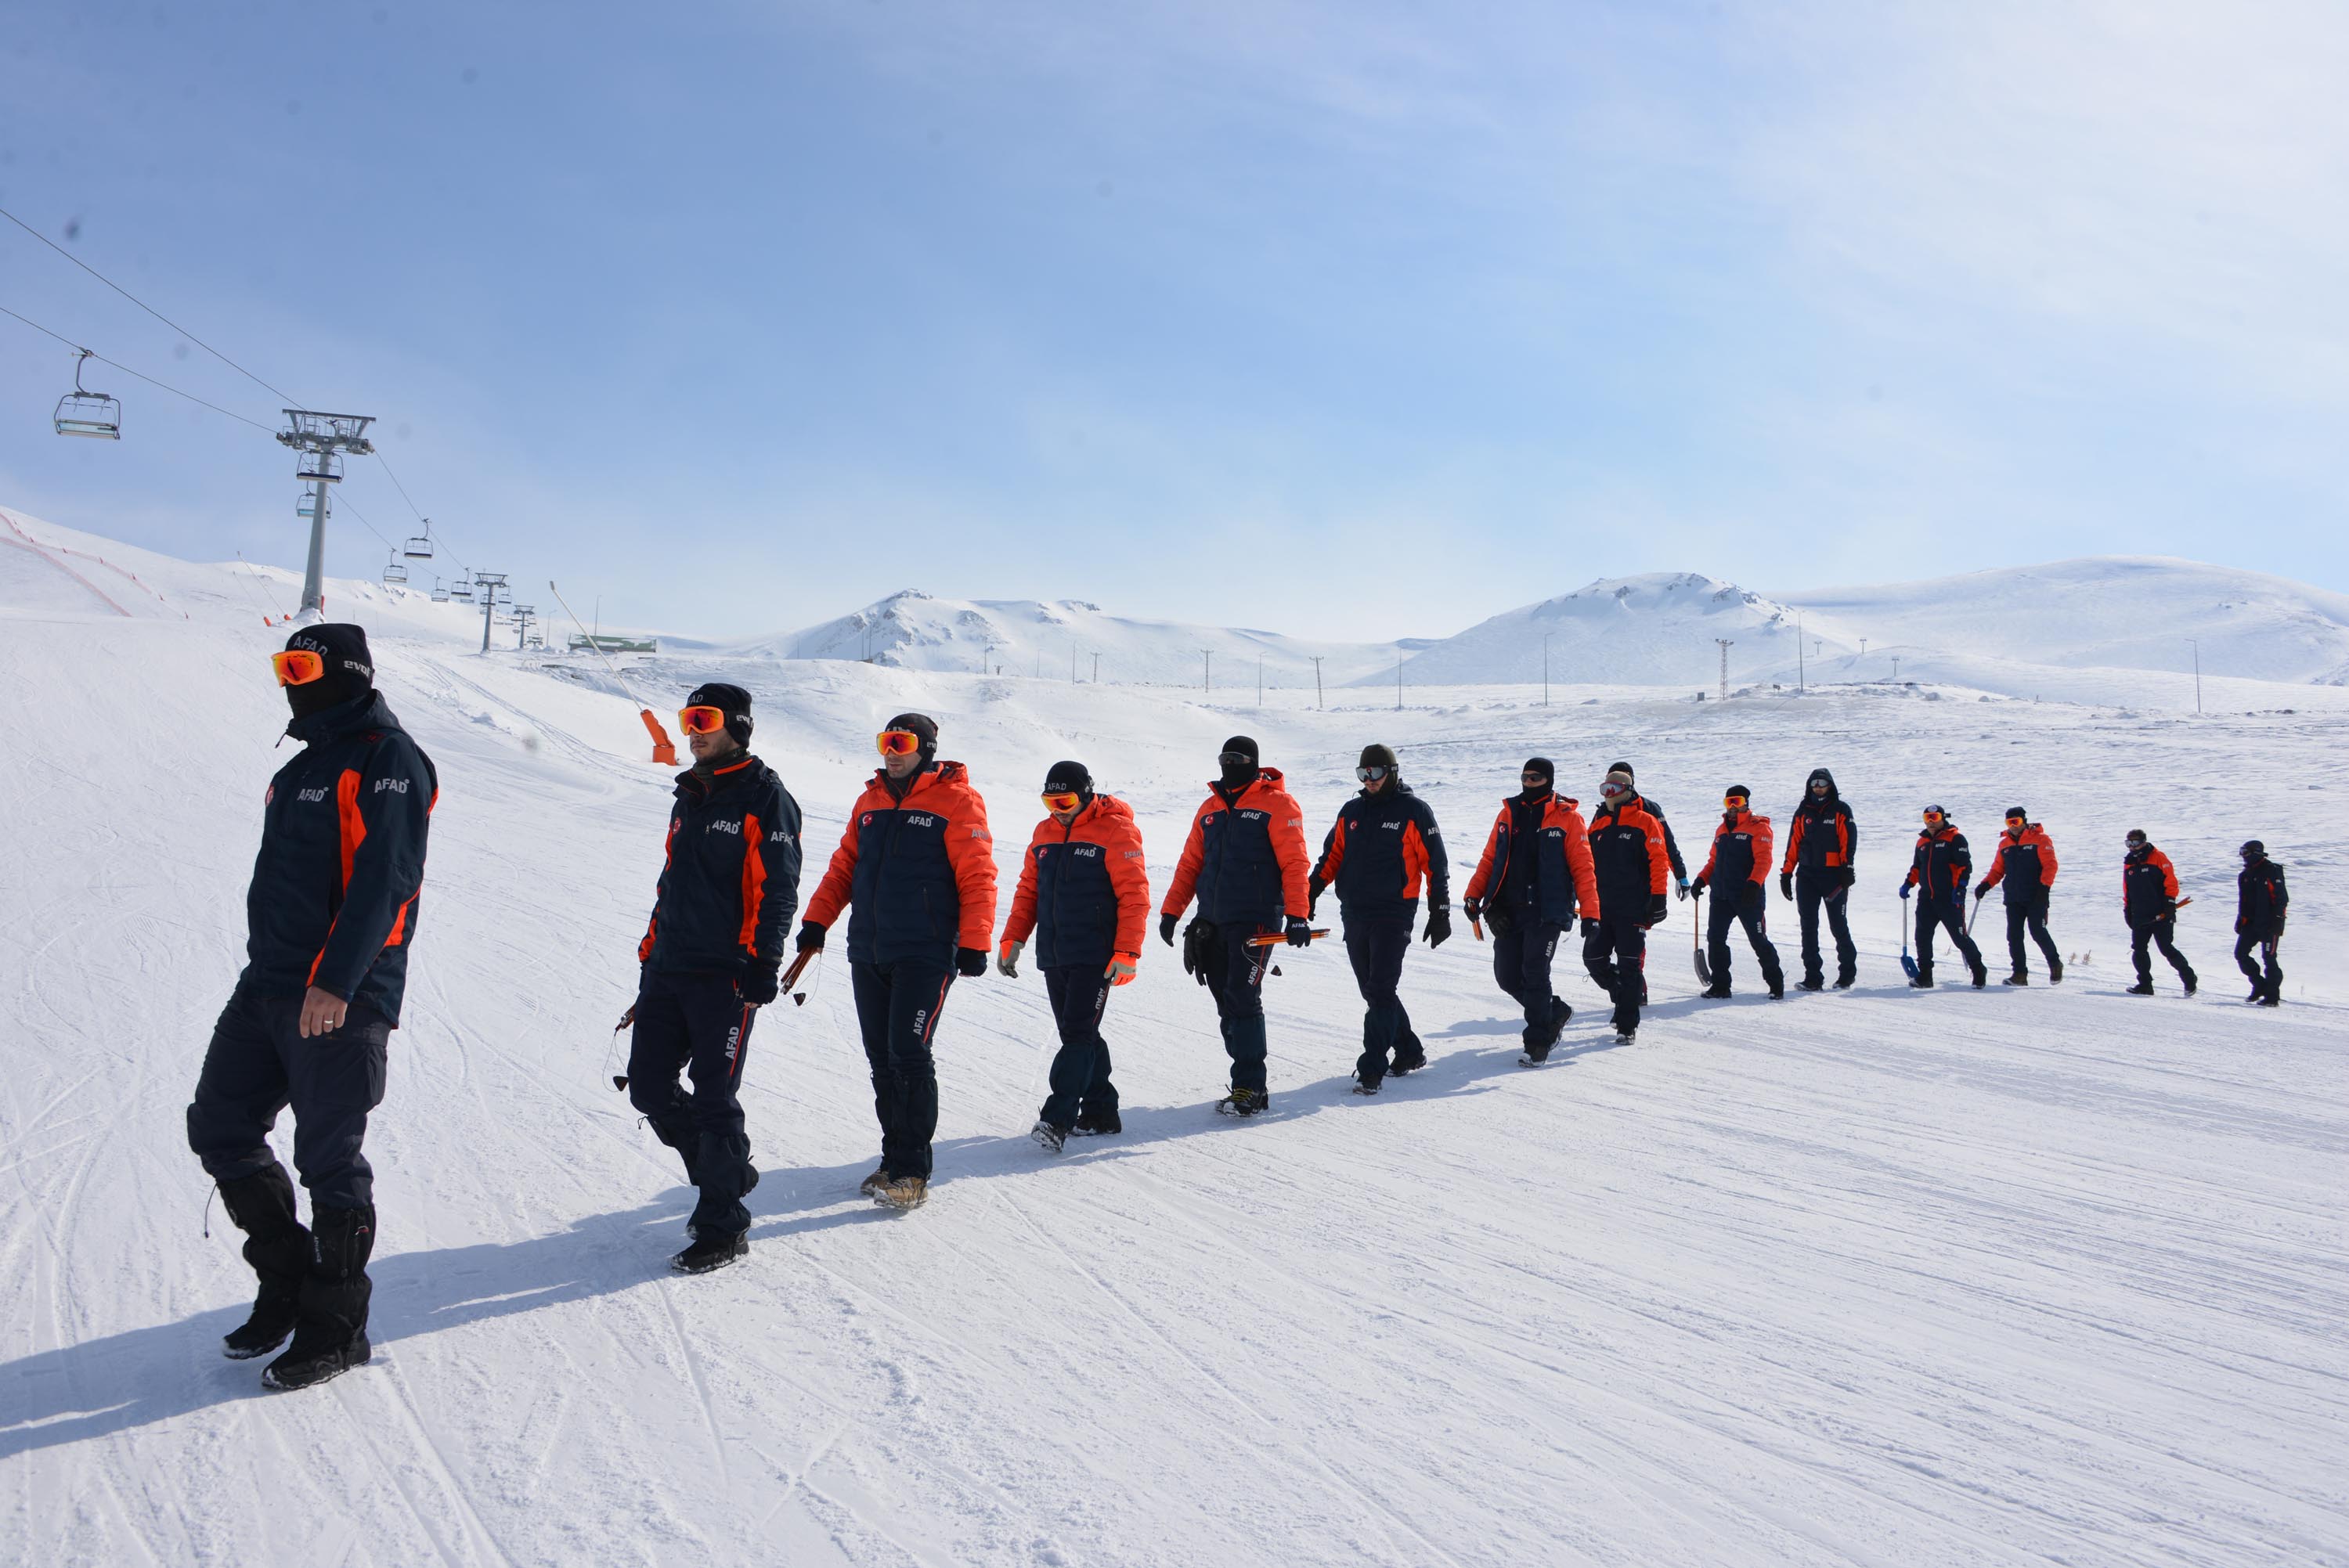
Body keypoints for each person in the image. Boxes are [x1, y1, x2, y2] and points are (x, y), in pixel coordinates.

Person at [186, 625, 435, 1390]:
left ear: (347, 672)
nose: (287, 682)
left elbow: (385, 880)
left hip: (340, 991)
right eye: (281, 667)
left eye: (299, 667)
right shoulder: (299, 769)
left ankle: (337, 1324)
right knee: (221, 1125)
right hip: (267, 981)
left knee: (329, 1158)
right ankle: (289, 1279)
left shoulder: (387, 758)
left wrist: (337, 979)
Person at [625, 683, 802, 1273]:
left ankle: (723, 1224)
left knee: (714, 1095)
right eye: (688, 718)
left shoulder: (765, 798)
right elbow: (670, 883)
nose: (692, 729)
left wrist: (763, 963)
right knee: (649, 1087)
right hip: (669, 966)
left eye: (705, 718)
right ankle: (726, 1171)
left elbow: (777, 890)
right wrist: (651, 953)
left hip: (725, 975)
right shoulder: (690, 795)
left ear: (738, 726)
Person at [800, 713, 998, 1208]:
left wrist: (975, 940)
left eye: (902, 742)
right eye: (885, 741)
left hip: (926, 950)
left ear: (926, 748)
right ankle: (892, 1158)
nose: (891, 751)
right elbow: (845, 866)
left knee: (909, 1056)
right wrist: (817, 921)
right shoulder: (869, 801)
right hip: (869, 948)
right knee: (881, 1062)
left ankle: (912, 1172)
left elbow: (978, 875)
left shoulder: (957, 800)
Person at [998, 762, 1148, 1150]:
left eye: (1064, 800)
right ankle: (1101, 1112)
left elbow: (1134, 896)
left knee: (1078, 1033)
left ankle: (1057, 1117)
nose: (1057, 809)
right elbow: (1028, 891)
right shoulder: (1044, 832)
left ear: (1085, 794)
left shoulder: (1116, 829)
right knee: (1077, 1033)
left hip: (1096, 953)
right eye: (1049, 801)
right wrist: (1014, 938)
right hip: (1054, 950)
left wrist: (1128, 950)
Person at [1159, 736, 1312, 1116]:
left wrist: (1297, 913)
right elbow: (1190, 864)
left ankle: (1250, 1087)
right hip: (1212, 919)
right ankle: (1245, 1078)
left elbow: (1295, 862)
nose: (1230, 764)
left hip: (1256, 918)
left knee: (1244, 998)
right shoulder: (1209, 809)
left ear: (1254, 762)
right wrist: (1171, 912)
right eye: (1224, 757)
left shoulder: (1277, 804)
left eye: (1238, 758)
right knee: (1226, 999)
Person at [1311, 744, 1452, 1092]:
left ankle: (1372, 1066)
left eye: (1375, 773)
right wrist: (1309, 893)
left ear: (1392, 772)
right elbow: (1332, 857)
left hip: (1394, 911)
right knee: (1373, 991)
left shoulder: (1414, 810)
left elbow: (1435, 865)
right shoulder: (1351, 811)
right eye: (1363, 774)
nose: (1369, 780)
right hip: (1355, 911)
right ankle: (1409, 1049)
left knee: (1381, 988)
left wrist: (1440, 911)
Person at [1462, 757, 1596, 1065]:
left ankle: (1538, 1041)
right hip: (1508, 907)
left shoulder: (1568, 819)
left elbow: (1584, 869)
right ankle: (1555, 1010)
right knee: (1508, 976)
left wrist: (1591, 913)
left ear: (1548, 780)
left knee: (1535, 972)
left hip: (1547, 910)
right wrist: (1474, 895)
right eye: (1525, 777)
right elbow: (1489, 859)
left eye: (1535, 778)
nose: (1528, 782)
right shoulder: (1508, 814)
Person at [1584, 768, 1672, 1043]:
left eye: (1614, 789)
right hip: (1601, 907)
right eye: (1605, 789)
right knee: (1593, 959)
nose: (1609, 794)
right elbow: (1583, 865)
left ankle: (1626, 1026)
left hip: (1633, 907)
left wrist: (1659, 898)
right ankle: (1622, 995)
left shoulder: (1646, 821)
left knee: (1630, 965)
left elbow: (1659, 861)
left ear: (1628, 791)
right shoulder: (1597, 825)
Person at [1690, 785, 1784, 999]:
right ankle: (1721, 986)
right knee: (1715, 939)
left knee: (1758, 939)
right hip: (1721, 895)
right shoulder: (1721, 830)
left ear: (1746, 803)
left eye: (1737, 802)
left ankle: (1776, 984)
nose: (1732, 807)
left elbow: (1764, 860)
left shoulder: (1759, 828)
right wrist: (1701, 880)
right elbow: (1713, 861)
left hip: (1747, 896)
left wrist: (1754, 884)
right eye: (1728, 802)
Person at [1779, 768, 1858, 989]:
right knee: (1808, 926)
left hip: (1833, 877)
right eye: (1814, 783)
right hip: (1807, 876)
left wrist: (1847, 868)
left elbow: (1848, 841)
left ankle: (1847, 974)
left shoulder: (1841, 810)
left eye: (1822, 782)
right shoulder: (1803, 811)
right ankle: (1813, 977)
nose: (1818, 786)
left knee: (1838, 925)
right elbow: (1793, 843)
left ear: (1830, 785)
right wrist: (1786, 873)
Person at [1900, 805, 1987, 989]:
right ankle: (1925, 976)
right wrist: (1908, 883)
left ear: (1943, 818)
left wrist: (1960, 888)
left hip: (1949, 898)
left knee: (1959, 937)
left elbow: (1965, 866)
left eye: (1935, 817)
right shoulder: (1922, 842)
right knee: (1922, 937)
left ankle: (1978, 969)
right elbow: (1917, 867)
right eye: (1927, 818)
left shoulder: (1955, 839)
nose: (1931, 822)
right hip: (1926, 898)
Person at [1974, 808, 2062, 985]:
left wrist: (2044, 887)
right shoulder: (2004, 844)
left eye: (2017, 822)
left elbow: (2050, 865)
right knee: (2014, 935)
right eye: (2009, 823)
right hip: (2013, 897)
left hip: (2036, 895)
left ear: (2024, 821)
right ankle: (2020, 974)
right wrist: (1985, 884)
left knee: (2038, 931)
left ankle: (2055, 963)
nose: (2013, 826)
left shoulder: (2040, 839)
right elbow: (1998, 870)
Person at [2122, 828, 2196, 997]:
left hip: (2161, 912)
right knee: (2139, 949)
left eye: (2134, 843)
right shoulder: (2129, 862)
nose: (2132, 847)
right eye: (2128, 844)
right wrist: (2127, 908)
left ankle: (2189, 978)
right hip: (2140, 914)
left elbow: (2171, 881)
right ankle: (2145, 985)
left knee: (2166, 948)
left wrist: (2170, 902)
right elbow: (2127, 887)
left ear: (2143, 842)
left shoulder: (2158, 857)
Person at [1608, 760, 1690, 901]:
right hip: (1609, 888)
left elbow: (1667, 843)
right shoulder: (1603, 812)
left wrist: (1680, 875)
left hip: (1640, 886)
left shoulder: (1649, 809)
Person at [2233, 840, 2288, 1006]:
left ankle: (2272, 996)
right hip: (2250, 923)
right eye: (2242, 853)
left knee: (2269, 958)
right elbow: (2243, 901)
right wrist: (2240, 920)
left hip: (2269, 924)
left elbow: (2281, 899)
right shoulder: (2245, 876)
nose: (2243, 857)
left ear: (2256, 853)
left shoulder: (2272, 871)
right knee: (2241, 954)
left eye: (2246, 853)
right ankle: (2259, 986)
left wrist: (2278, 920)